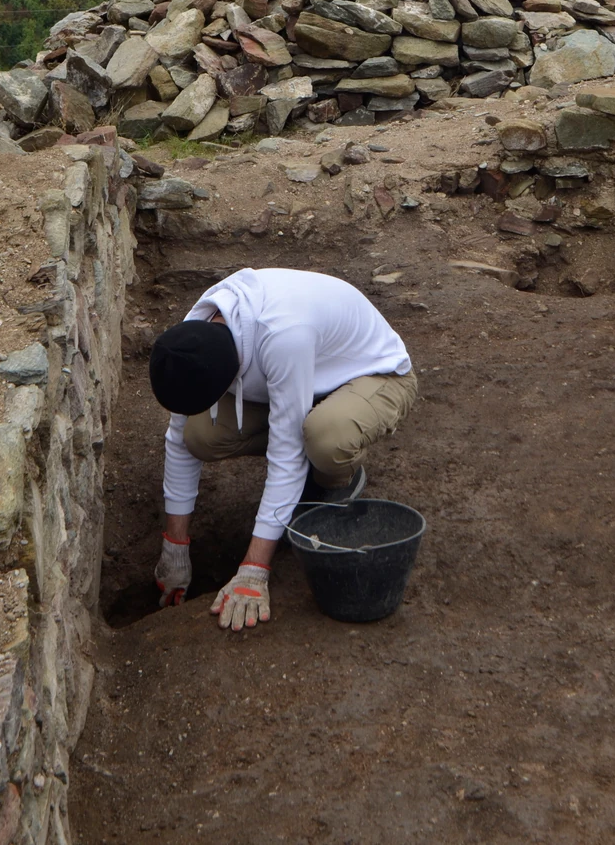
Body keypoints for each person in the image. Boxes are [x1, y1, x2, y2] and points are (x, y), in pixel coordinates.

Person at [147, 266, 416, 631]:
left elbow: (286, 456)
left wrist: (254, 570)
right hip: (302, 373)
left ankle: (338, 480)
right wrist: (174, 546)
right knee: (200, 435)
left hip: (372, 374)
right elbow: (180, 442)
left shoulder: (284, 335)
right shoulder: (193, 332)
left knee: (323, 438)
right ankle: (304, 446)